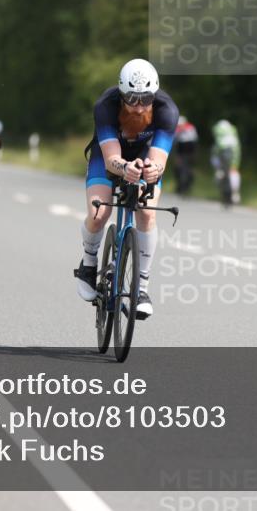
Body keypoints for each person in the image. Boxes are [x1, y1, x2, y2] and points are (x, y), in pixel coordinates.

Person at [73, 58, 179, 319]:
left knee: (147, 213)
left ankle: (141, 288)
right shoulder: (105, 107)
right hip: (109, 156)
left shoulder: (167, 111)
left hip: (143, 156)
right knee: (99, 214)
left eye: (146, 99)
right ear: (121, 95)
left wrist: (153, 170)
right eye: (132, 98)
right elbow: (111, 159)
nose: (138, 106)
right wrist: (124, 168)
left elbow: (159, 159)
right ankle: (88, 264)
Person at [211, 119, 241, 205]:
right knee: (231, 174)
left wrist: (216, 164)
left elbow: (216, 149)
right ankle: (234, 195)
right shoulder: (233, 134)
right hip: (232, 156)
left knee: (222, 174)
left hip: (223, 155)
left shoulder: (220, 133)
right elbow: (237, 150)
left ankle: (229, 195)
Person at [173, 115, 198, 195]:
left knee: (188, 171)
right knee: (178, 169)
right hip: (181, 152)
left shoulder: (191, 129)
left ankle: (187, 187)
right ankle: (180, 187)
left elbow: (194, 143)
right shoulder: (176, 131)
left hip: (190, 152)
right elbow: (176, 144)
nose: (180, 127)